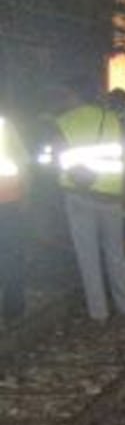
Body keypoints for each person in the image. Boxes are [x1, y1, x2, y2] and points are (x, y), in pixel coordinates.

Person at [54, 79, 125, 322]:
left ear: (73, 94)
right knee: (115, 252)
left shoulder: (63, 122)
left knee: (88, 256)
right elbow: (124, 157)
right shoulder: (111, 119)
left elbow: (59, 159)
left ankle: (99, 313)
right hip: (111, 194)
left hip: (78, 196)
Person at [0, 110, 29, 324]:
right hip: (8, 200)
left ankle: (13, 304)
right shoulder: (5, 125)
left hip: (8, 199)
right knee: (11, 253)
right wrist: (26, 195)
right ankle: (13, 305)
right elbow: (23, 161)